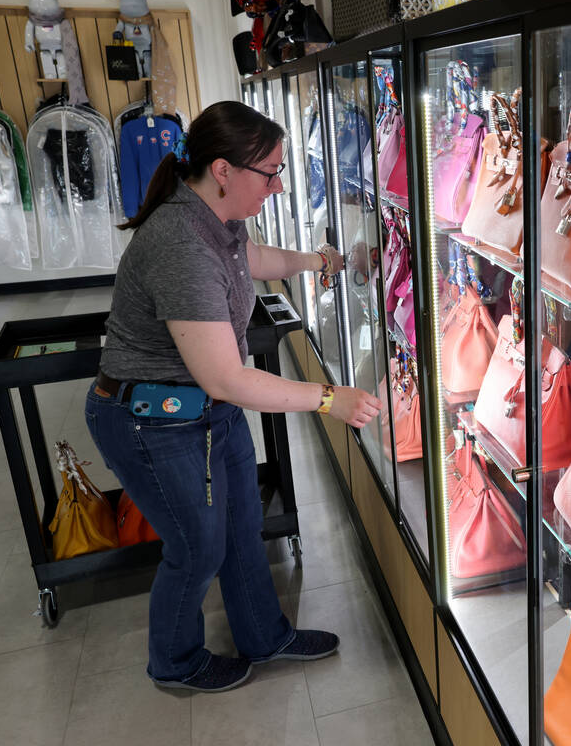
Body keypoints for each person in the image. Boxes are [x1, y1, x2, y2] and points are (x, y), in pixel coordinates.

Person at [84, 100, 383, 693]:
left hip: (204, 409)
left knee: (244, 526)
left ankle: (264, 636)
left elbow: (251, 261)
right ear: (223, 171)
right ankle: (175, 661)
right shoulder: (179, 241)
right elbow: (226, 376)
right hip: (152, 419)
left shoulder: (216, 221)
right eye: (270, 172)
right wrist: (329, 398)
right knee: (198, 546)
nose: (278, 185)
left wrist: (324, 261)